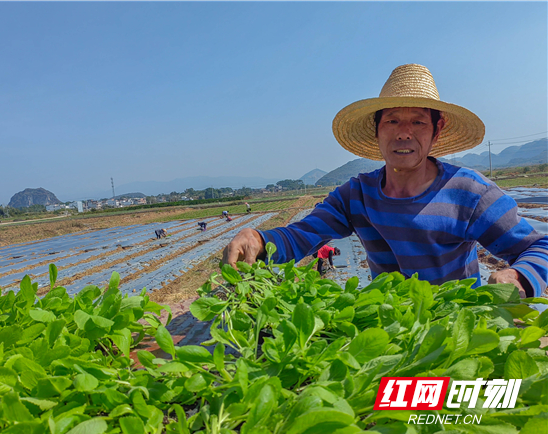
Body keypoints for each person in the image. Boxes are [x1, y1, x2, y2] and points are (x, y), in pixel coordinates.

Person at [222, 64, 547, 298]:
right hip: (392, 325)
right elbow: (302, 235)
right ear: (377, 131)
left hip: (456, 326)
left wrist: (518, 275)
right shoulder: (357, 195)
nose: (403, 132)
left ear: (437, 130)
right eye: (392, 120)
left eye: (418, 121)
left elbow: (539, 246)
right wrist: (259, 240)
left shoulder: (470, 193)